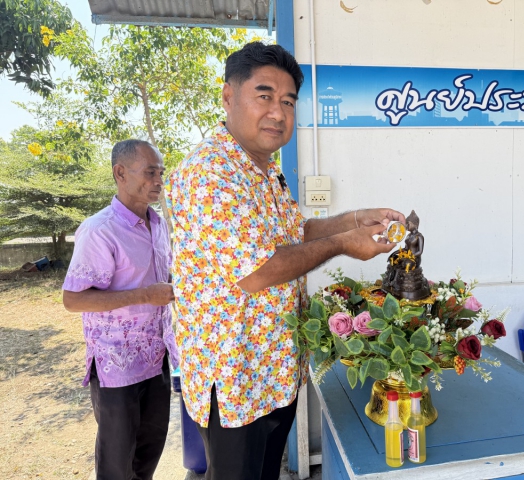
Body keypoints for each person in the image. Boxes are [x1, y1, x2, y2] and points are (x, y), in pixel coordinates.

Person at [165, 42, 405, 480]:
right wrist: (344, 243)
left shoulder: (264, 169)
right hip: (236, 381)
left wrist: (354, 219)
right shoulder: (211, 172)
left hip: (272, 372)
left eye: (289, 101)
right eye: (265, 96)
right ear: (228, 96)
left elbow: (294, 235)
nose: (278, 112)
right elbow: (258, 271)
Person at [62, 139, 179, 480]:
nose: (158, 181)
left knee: (149, 453)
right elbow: (74, 299)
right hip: (117, 367)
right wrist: (145, 295)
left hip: (157, 358)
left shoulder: (159, 224)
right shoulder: (100, 230)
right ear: (120, 173)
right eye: (150, 172)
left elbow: (163, 278)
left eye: (161, 172)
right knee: (117, 463)